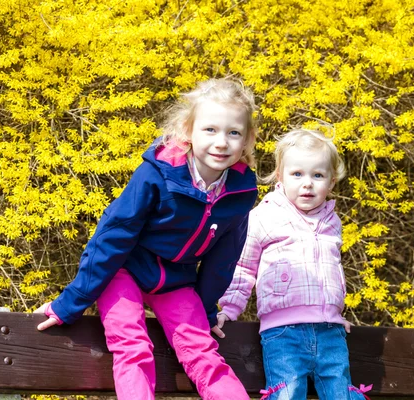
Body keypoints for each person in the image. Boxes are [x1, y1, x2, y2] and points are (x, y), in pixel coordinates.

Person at [34, 78, 258, 400]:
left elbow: (223, 258)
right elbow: (113, 236)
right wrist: (71, 302)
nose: (221, 142)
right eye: (210, 130)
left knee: (203, 353)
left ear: (247, 139)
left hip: (176, 281)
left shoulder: (240, 192)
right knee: (132, 344)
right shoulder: (157, 174)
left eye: (233, 132)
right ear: (188, 130)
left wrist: (207, 309)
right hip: (124, 270)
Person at [216, 128, 372, 400]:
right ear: (280, 176)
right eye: (297, 174)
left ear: (331, 182)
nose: (307, 183)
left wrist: (333, 310)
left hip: (330, 331)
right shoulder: (264, 216)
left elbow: (330, 269)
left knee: (341, 394)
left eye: (318, 175)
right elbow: (243, 267)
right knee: (287, 394)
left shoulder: (332, 222)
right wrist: (228, 308)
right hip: (283, 333)